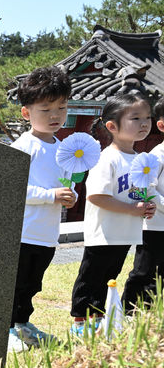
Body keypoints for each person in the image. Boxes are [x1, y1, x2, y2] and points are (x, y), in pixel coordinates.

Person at [70, 92, 156, 335]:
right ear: (112, 126)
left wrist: (146, 204)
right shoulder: (106, 158)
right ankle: (81, 323)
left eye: (147, 118)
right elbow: (97, 196)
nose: (144, 124)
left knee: (110, 277)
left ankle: (99, 319)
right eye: (135, 118)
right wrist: (132, 209)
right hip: (104, 232)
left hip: (124, 232)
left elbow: (139, 191)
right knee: (92, 277)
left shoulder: (140, 158)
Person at [7, 67, 76, 353]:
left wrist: (70, 195)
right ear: (26, 113)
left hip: (47, 234)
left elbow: (64, 183)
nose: (55, 115)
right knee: (14, 285)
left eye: (61, 107)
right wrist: (50, 196)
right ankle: (7, 328)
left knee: (33, 285)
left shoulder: (63, 148)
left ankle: (23, 324)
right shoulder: (24, 146)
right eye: (45, 109)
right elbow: (13, 189)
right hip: (23, 232)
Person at [122, 96, 164, 312]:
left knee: (161, 275)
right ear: (162, 125)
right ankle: (128, 311)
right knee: (144, 271)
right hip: (154, 225)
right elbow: (147, 188)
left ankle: (150, 313)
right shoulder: (157, 155)